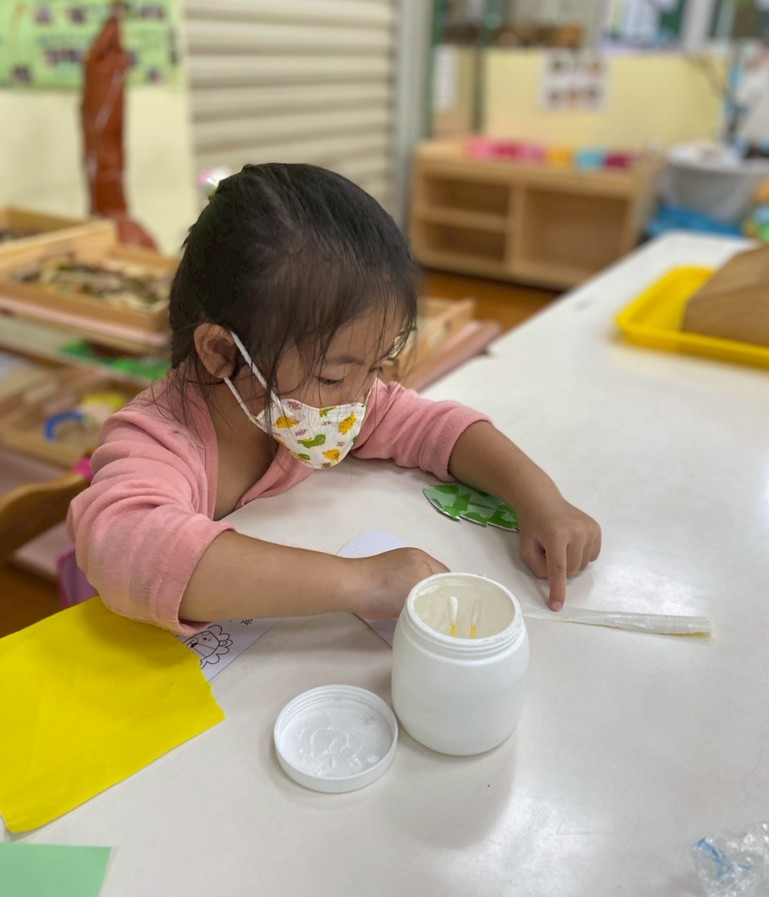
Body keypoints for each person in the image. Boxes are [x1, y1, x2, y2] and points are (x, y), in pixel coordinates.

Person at [68, 164, 601, 634]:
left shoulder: (319, 405)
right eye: (332, 377)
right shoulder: (158, 437)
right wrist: (362, 583)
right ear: (222, 353)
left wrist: (541, 500)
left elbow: (433, 427)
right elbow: (130, 547)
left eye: (375, 367)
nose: (360, 397)